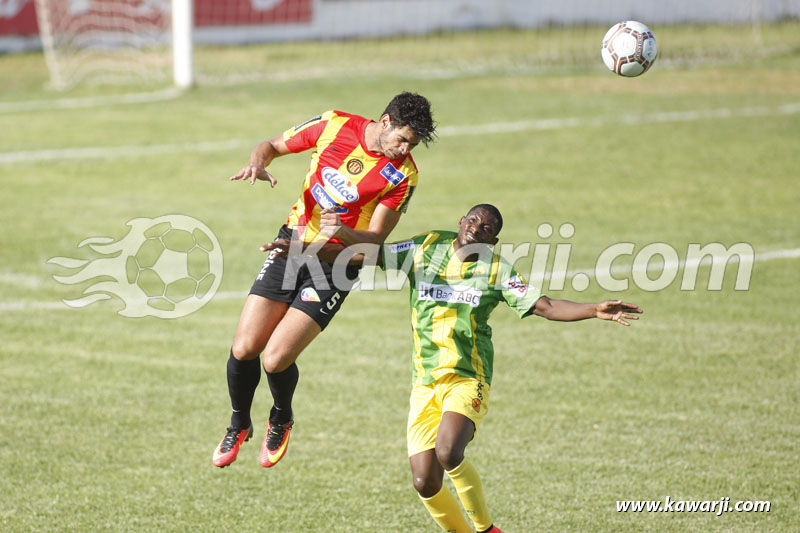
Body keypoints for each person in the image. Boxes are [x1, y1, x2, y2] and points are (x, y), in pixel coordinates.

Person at [263, 203, 642, 532]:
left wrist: (593, 309)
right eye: (474, 220)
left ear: (491, 242)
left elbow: (544, 306)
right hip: (424, 383)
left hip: (467, 378)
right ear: (462, 221)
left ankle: (486, 528)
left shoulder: (496, 270)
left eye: (487, 229)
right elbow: (366, 256)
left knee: (448, 452)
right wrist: (301, 249)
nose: (477, 228)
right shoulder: (427, 246)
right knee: (424, 481)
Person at [212, 92, 436, 469]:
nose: (404, 150)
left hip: (336, 262)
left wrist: (345, 233)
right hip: (292, 244)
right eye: (402, 139)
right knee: (244, 347)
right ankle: (239, 423)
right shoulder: (334, 125)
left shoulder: (403, 175)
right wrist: (257, 163)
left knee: (275, 358)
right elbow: (270, 145)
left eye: (411, 145)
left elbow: (376, 239)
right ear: (385, 122)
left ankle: (281, 417)